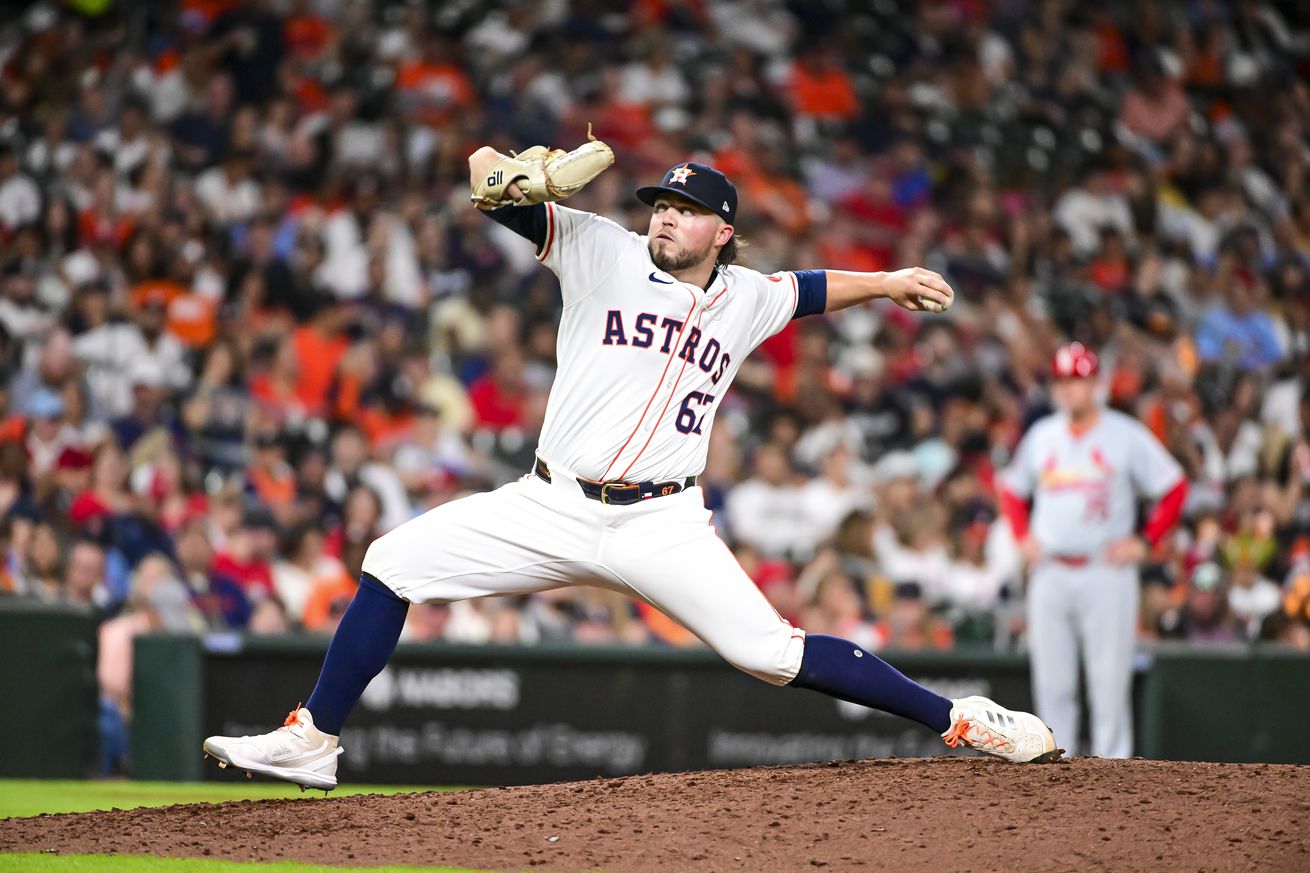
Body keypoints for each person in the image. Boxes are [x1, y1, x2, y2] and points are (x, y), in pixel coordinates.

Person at [202, 146, 1059, 791]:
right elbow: (482, 178)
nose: (664, 216)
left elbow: (812, 285)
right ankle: (316, 737)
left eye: (685, 209)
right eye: (660, 204)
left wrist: (889, 279)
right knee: (392, 562)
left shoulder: (748, 295)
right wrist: (514, 175)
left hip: (662, 523)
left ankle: (961, 719)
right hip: (551, 502)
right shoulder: (594, 245)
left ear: (722, 231)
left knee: (772, 652)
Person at [999, 343, 1187, 758]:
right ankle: (1052, 769)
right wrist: (1021, 535)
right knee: (1053, 684)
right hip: (1050, 569)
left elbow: (1174, 487)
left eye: (1078, 379)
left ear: (1097, 384)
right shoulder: (1043, 435)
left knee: (1108, 684)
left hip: (1106, 570)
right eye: (1063, 380)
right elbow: (1012, 490)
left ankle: (1112, 779)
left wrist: (1146, 541)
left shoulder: (1124, 434)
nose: (1069, 389)